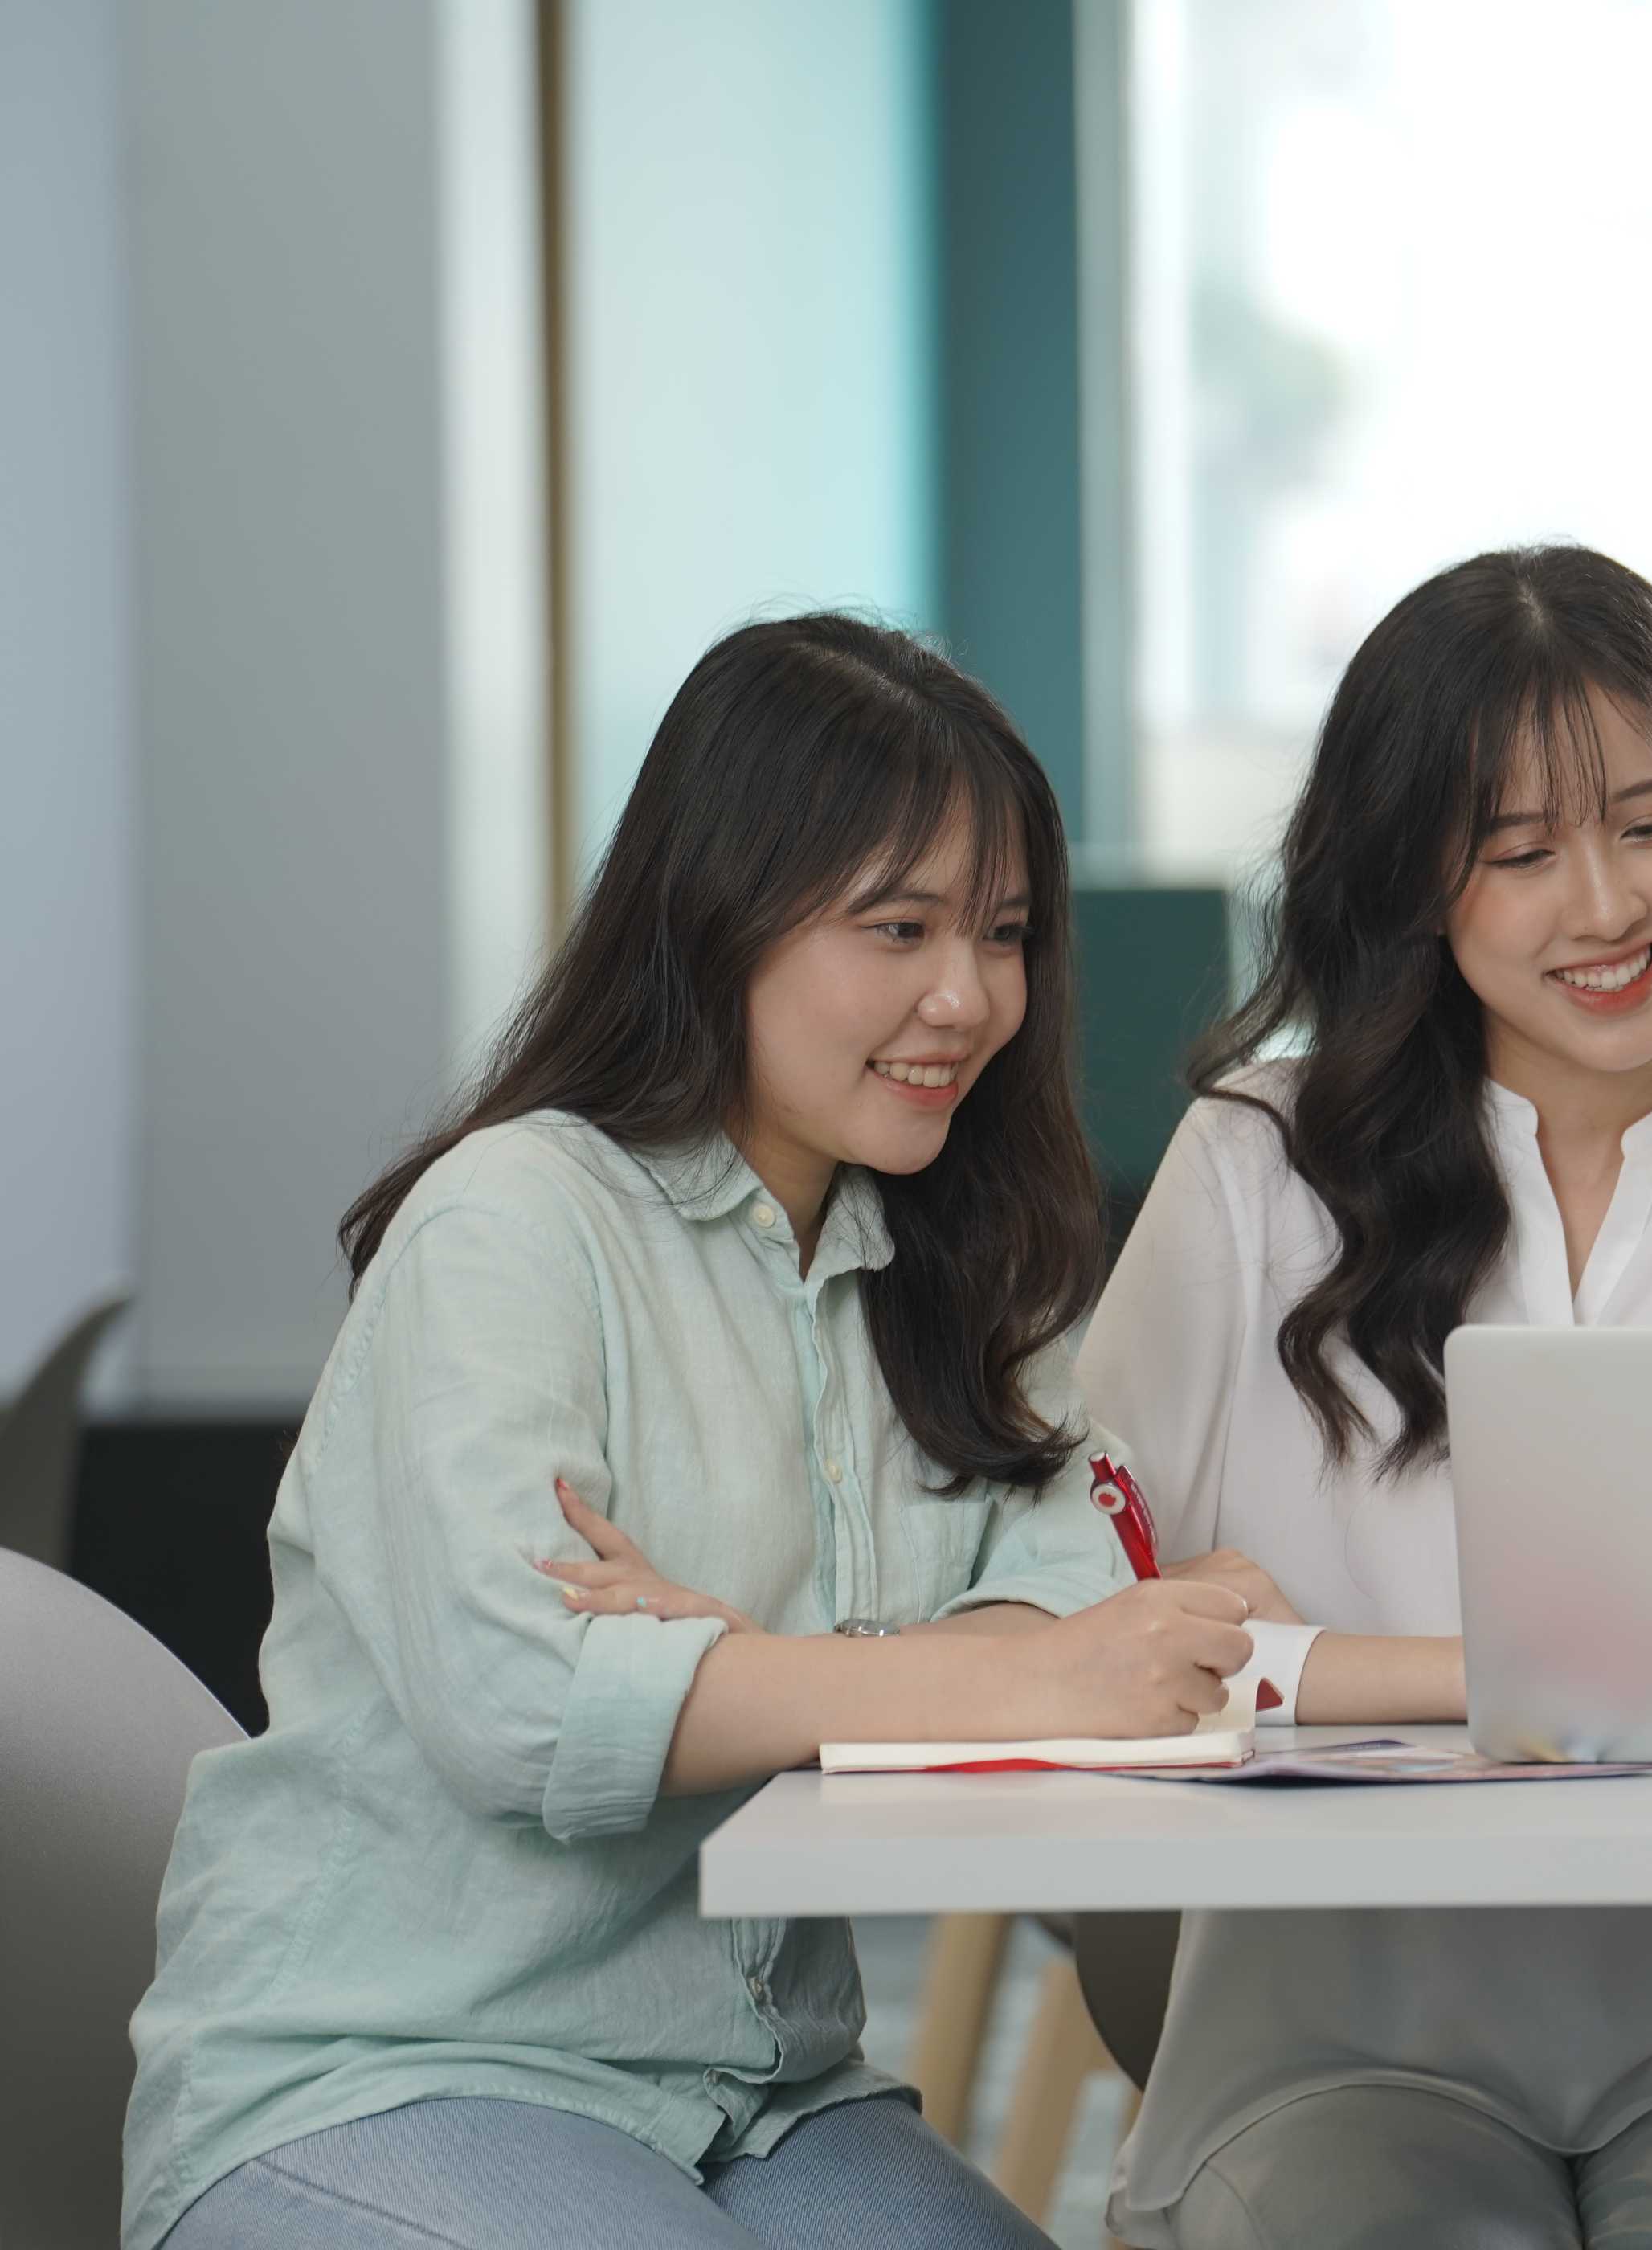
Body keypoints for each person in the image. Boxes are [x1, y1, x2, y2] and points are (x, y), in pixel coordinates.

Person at [125, 616, 1259, 2250]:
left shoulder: (958, 1254)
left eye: (1004, 931)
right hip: (388, 2066)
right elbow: (530, 1700)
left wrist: (744, 1664)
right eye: (899, 925)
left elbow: (1081, 1592)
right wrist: (979, 1669)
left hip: (767, 2095)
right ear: (721, 915)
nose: (969, 994)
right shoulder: (511, 1221)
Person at [1073, 545, 1652, 2248]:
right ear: (1416, 878)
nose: (1608, 904)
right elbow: (1085, 1616)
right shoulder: (1256, 1163)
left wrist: (1320, 1668)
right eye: (1521, 850)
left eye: (1648, 822)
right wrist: (1509, 1680)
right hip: (1342, 2033)